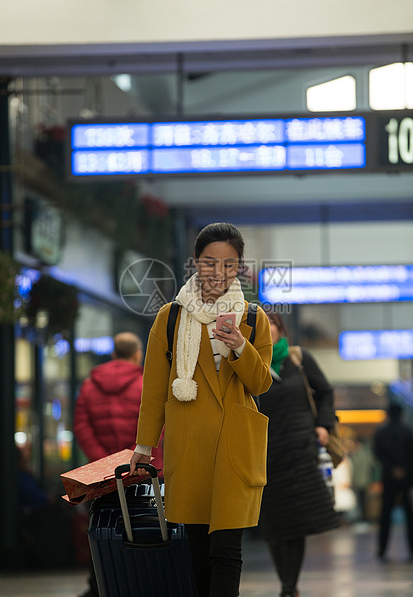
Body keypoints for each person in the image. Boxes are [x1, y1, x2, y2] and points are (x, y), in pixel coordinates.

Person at [129, 222, 272, 597]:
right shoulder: (170, 317)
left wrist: (241, 346)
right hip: (189, 446)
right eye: (210, 262)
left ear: (239, 267)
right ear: (195, 263)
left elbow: (260, 384)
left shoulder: (254, 319)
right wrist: (143, 446)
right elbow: (155, 389)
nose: (219, 273)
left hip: (234, 448)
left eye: (229, 264)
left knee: (227, 550)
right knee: (195, 553)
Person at [74, 332, 163, 597]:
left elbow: (81, 425)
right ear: (137, 354)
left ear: (113, 353)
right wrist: (136, 459)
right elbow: (156, 424)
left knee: (100, 529)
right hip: (139, 473)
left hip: (101, 476)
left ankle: (98, 587)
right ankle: (138, 585)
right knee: (141, 529)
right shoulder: (145, 384)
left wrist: (102, 460)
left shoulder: (90, 385)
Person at [258, 312, 340, 597]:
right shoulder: (248, 363)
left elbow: (325, 392)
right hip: (264, 454)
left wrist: (324, 425)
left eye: (272, 324)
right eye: (261, 325)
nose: (268, 329)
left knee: (297, 521)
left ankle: (288, 587)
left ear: (281, 329)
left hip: (300, 450)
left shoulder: (298, 358)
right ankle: (288, 585)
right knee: (274, 524)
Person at [373, 403, 413, 561]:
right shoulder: (408, 432)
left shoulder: (381, 433)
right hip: (407, 479)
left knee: (385, 514)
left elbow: (378, 455)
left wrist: (391, 468)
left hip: (388, 478)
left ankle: (382, 549)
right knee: (410, 515)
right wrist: (404, 469)